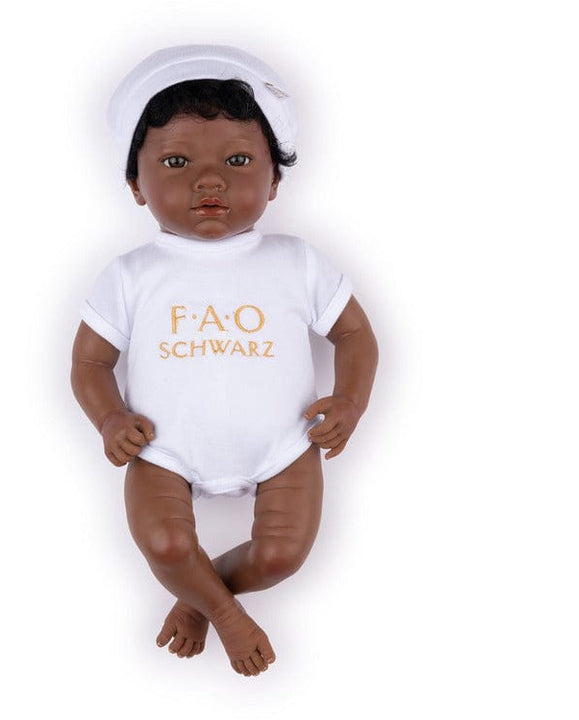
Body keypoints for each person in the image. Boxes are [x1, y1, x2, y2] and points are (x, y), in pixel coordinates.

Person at [71, 45, 378, 677]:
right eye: (175, 162)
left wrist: (351, 400)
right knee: (163, 543)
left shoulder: (296, 261)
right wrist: (109, 419)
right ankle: (226, 614)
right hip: (162, 446)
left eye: (237, 161)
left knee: (281, 556)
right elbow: (89, 364)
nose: (208, 181)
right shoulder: (131, 274)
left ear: (274, 180)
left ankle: (197, 599)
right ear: (136, 185)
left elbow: (355, 335)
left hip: (284, 443)